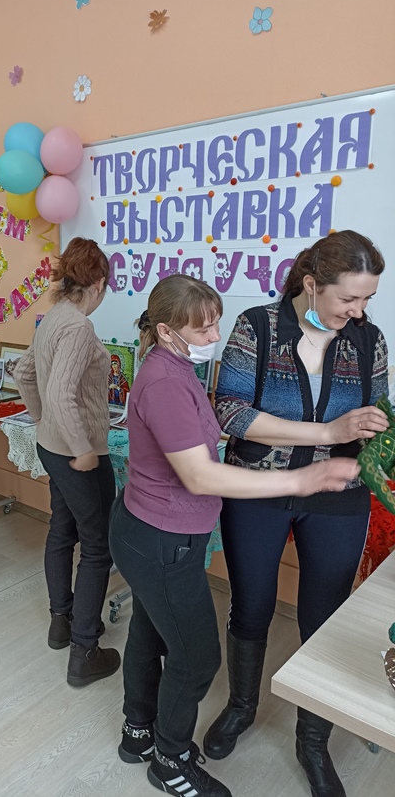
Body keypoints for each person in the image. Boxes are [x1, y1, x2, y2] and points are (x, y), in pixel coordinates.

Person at [108, 274, 361, 797]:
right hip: (161, 539)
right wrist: (299, 479)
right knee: (197, 658)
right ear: (166, 330)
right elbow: (200, 476)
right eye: (203, 330)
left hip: (151, 531)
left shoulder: (175, 367)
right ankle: (170, 760)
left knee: (150, 633)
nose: (215, 337)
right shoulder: (164, 382)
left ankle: (139, 734)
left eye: (216, 324)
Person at [203, 230, 388, 797]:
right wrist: (326, 432)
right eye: (348, 298)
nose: (358, 311)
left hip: (337, 494)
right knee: (251, 606)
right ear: (311, 284)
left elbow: (375, 415)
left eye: (367, 299)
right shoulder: (256, 327)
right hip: (258, 488)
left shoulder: (369, 340)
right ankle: (242, 706)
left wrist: (374, 433)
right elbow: (230, 412)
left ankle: (312, 743)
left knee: (323, 619)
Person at [14, 237, 121, 687]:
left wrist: (42, 422)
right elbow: (61, 393)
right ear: (97, 284)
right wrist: (81, 447)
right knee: (97, 546)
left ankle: (62, 622)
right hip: (78, 452)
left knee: (62, 529)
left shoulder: (53, 317)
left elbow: (24, 372)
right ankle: (84, 651)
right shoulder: (77, 326)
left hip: (51, 446)